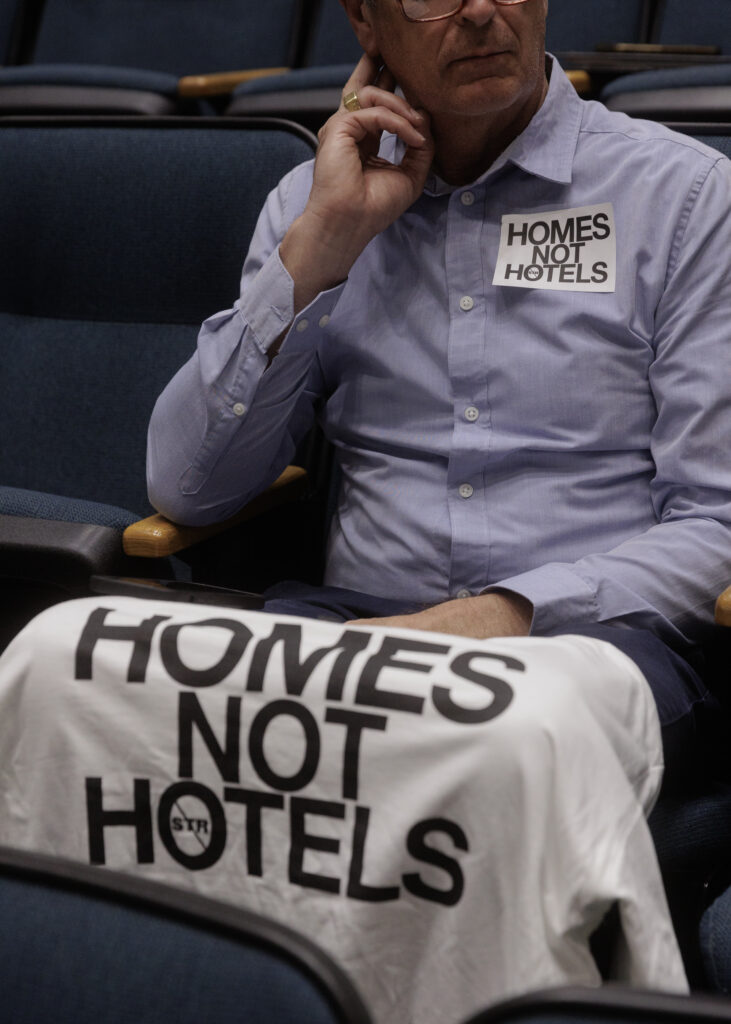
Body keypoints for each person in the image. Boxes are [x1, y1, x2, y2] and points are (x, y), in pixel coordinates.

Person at [146, 0, 731, 1009]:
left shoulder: (681, 196)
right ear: (364, 18)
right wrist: (326, 242)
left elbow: (714, 522)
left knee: (480, 746)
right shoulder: (311, 200)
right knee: (158, 707)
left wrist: (498, 615)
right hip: (362, 622)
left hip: (599, 644)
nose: (477, 9)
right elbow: (186, 489)